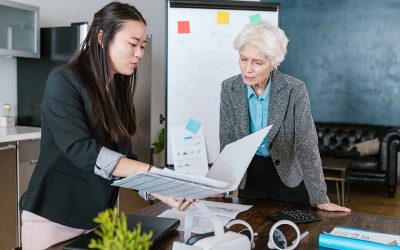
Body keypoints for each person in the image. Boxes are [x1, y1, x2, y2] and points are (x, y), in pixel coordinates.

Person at [21, 2, 194, 249]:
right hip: (53, 220)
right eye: (133, 44)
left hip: (97, 218)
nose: (140, 54)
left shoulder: (117, 91)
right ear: (102, 36)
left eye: (143, 46)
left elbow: (123, 159)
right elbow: (82, 150)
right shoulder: (64, 80)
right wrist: (153, 173)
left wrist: (161, 190)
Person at [219, 21, 350, 212]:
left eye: (257, 62)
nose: (247, 69)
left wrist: (319, 197)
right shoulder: (229, 88)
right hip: (251, 179)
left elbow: (306, 145)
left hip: (289, 179)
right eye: (243, 59)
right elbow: (228, 141)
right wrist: (222, 187)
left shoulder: (295, 90)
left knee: (293, 237)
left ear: (273, 63)